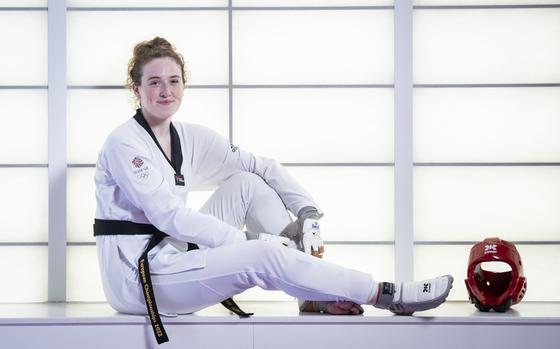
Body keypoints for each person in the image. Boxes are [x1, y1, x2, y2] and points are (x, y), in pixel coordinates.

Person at [94, 37, 453, 344]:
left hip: (171, 254)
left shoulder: (188, 137)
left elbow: (260, 166)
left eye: (173, 80)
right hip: (138, 278)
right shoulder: (124, 144)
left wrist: (307, 213)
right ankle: (385, 293)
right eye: (154, 82)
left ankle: (314, 300)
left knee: (247, 185)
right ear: (136, 89)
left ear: (184, 85)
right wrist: (250, 240)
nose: (166, 90)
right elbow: (167, 216)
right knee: (262, 257)